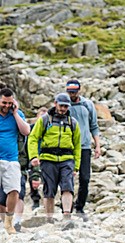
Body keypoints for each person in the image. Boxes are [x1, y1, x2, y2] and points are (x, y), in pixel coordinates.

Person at [27, 93, 81, 224]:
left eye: (66, 106)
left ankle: (66, 216)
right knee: (49, 189)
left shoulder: (72, 123)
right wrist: (33, 156)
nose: (63, 109)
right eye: (61, 105)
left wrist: (77, 165)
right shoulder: (45, 120)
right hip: (48, 159)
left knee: (67, 187)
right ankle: (49, 218)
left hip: (67, 159)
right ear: (55, 103)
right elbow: (33, 138)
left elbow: (77, 145)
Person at [65, 80, 101, 221]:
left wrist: (97, 145)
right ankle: (66, 207)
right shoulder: (64, 105)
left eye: (74, 92)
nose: (71, 94)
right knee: (67, 178)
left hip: (85, 146)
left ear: (79, 91)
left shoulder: (87, 105)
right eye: (69, 91)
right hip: (68, 147)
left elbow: (94, 126)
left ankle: (80, 206)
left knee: (85, 178)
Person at [0, 87, 30, 234]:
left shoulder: (17, 114)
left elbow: (26, 131)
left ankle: (9, 221)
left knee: (14, 190)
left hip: (11, 159)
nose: (6, 106)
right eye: (3, 103)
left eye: (9, 103)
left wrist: (16, 113)